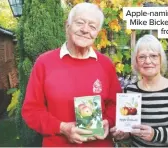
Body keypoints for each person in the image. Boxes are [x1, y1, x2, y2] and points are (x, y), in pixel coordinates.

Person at [21, 2, 122, 147]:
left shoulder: (106, 65)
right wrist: (61, 127)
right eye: (79, 23)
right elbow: (31, 110)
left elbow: (115, 104)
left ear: (97, 34)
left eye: (92, 26)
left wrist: (108, 121)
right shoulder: (44, 63)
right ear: (67, 26)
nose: (85, 29)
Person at [110, 34, 168, 147]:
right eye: (142, 57)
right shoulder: (130, 91)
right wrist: (123, 135)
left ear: (161, 59)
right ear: (136, 61)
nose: (148, 61)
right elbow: (130, 131)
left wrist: (156, 134)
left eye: (153, 56)